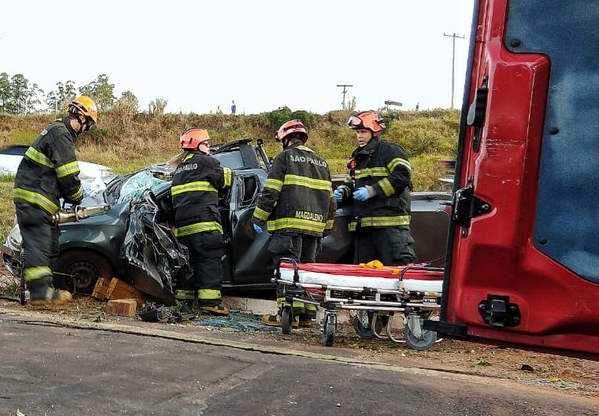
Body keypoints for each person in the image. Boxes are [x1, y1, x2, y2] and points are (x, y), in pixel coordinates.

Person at [13, 95, 99, 306]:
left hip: (40, 199)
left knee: (50, 245)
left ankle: (44, 290)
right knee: (39, 245)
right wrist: (78, 197)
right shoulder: (61, 134)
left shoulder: (56, 131)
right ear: (82, 118)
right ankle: (39, 292)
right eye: (87, 126)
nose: (84, 131)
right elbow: (68, 175)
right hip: (34, 199)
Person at [252, 119, 334, 323]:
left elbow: (271, 191)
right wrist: (326, 228)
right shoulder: (322, 163)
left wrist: (258, 218)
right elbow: (331, 202)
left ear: (285, 139)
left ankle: (287, 315)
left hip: (289, 228)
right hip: (314, 230)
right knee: (307, 270)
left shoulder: (284, 158)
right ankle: (307, 315)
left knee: (287, 268)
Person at [334, 110, 416, 265]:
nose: (359, 136)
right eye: (358, 132)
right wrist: (343, 192)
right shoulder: (358, 157)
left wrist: (373, 191)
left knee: (395, 272)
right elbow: (351, 182)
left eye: (363, 132)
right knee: (368, 279)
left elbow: (402, 176)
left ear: (374, 132)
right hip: (364, 227)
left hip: (390, 227)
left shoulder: (390, 151)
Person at [171, 127, 234, 316]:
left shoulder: (179, 170)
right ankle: (210, 302)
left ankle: (183, 302)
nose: (209, 147)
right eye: (207, 143)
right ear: (198, 145)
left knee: (187, 265)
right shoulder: (207, 162)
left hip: (183, 229)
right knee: (209, 261)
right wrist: (227, 170)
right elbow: (226, 181)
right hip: (205, 224)